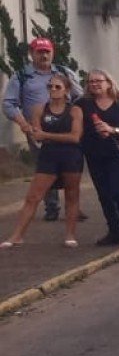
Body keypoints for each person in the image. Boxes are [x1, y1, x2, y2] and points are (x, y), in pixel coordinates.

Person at [1, 71, 84, 248]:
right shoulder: (39, 109)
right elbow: (37, 136)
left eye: (57, 87)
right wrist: (48, 135)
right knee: (33, 196)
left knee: (71, 195)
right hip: (49, 156)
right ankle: (17, 235)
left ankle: (70, 234)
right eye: (50, 86)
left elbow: (75, 137)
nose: (53, 89)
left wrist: (47, 135)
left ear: (66, 90)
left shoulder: (74, 110)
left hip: (71, 156)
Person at [8, 38, 81, 223]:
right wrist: (23, 123)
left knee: (71, 168)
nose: (44, 55)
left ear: (53, 53)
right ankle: (52, 207)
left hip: (65, 127)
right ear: (32, 54)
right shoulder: (21, 76)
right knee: (46, 168)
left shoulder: (64, 73)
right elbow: (9, 104)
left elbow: (79, 97)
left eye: (47, 51)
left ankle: (73, 208)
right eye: (40, 52)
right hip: (38, 130)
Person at [79, 70, 119, 248]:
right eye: (91, 82)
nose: (94, 84)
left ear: (108, 82)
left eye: (98, 81)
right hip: (93, 154)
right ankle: (114, 231)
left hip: (115, 155)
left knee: (117, 192)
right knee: (103, 195)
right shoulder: (83, 104)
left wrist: (114, 130)